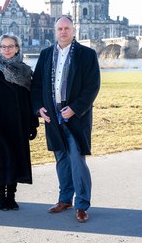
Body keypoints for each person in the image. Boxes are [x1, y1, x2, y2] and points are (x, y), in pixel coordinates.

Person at [31, 16, 100, 223]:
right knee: (61, 158)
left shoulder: (86, 55)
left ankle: (81, 205)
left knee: (76, 159)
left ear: (73, 30)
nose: (63, 32)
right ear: (55, 31)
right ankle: (64, 199)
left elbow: (92, 87)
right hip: (53, 116)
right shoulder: (45, 55)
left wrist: (76, 109)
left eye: (67, 28)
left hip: (75, 116)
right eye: (60, 28)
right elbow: (36, 87)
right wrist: (38, 109)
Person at [0, 34, 39, 211]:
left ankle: (11, 196)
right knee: (1, 160)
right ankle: (1, 197)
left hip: (19, 125)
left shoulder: (26, 72)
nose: (7, 49)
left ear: (17, 48)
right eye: (3, 46)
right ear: (0, 49)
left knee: (17, 159)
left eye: (10, 46)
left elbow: (30, 100)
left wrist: (33, 124)